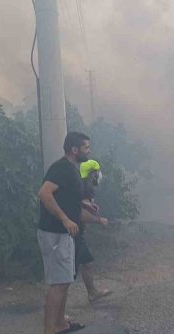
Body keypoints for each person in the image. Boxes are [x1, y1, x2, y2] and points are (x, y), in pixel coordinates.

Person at [37, 132, 90, 334]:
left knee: (65, 280)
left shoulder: (71, 169)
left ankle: (60, 323)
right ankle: (50, 329)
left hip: (64, 235)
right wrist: (65, 219)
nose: (89, 151)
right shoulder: (61, 168)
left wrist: (84, 205)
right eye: (86, 147)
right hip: (56, 233)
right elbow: (44, 193)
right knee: (58, 283)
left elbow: (66, 197)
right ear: (74, 149)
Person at [75, 159, 112, 302]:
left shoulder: (83, 187)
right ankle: (57, 312)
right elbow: (78, 212)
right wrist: (98, 220)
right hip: (72, 232)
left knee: (87, 262)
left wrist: (89, 205)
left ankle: (92, 293)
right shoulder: (81, 187)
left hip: (77, 231)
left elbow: (82, 204)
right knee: (67, 274)